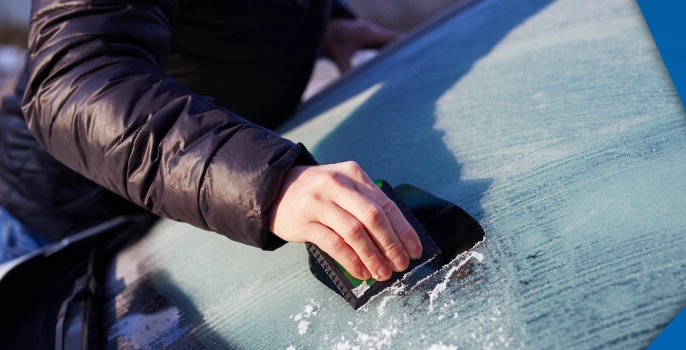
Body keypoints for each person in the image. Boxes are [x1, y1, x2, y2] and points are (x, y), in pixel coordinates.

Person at [0, 0, 423, 281]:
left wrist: (327, 23)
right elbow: (74, 81)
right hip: (41, 233)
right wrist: (268, 184)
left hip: (171, 227)